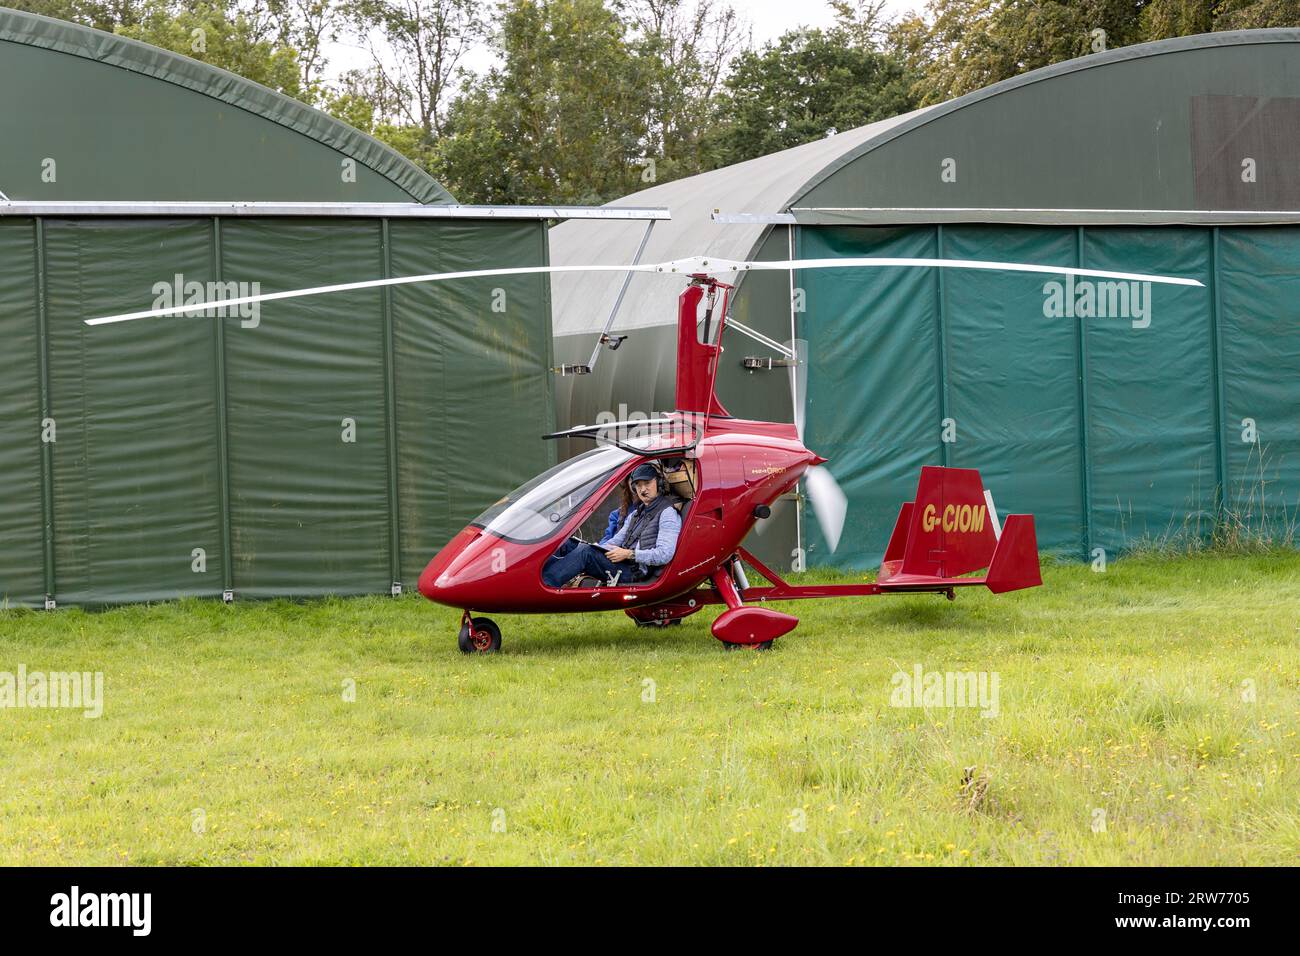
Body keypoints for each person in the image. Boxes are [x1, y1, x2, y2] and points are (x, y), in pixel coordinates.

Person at [542, 463, 682, 588]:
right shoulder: (636, 513)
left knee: (585, 552)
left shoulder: (668, 513)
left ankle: (545, 586)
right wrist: (597, 547)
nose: (643, 489)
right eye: (638, 485)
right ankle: (534, 579)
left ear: (659, 483)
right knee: (567, 544)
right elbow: (616, 541)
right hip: (624, 561)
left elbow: (665, 554)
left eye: (647, 483)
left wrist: (629, 554)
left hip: (635, 571)